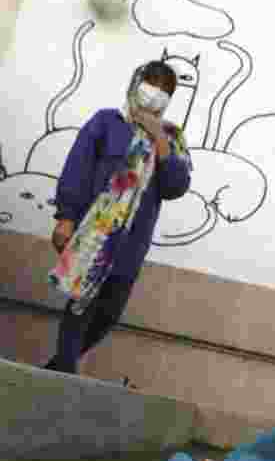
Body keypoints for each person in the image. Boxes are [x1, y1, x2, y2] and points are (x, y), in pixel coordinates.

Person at [43, 59, 192, 374]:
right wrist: (66, 217)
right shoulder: (107, 122)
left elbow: (175, 186)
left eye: (165, 90)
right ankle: (65, 374)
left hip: (131, 246)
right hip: (94, 234)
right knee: (81, 305)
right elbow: (78, 168)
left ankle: (55, 370)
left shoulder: (173, 137)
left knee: (108, 316)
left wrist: (159, 140)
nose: (156, 94)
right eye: (152, 84)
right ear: (137, 84)